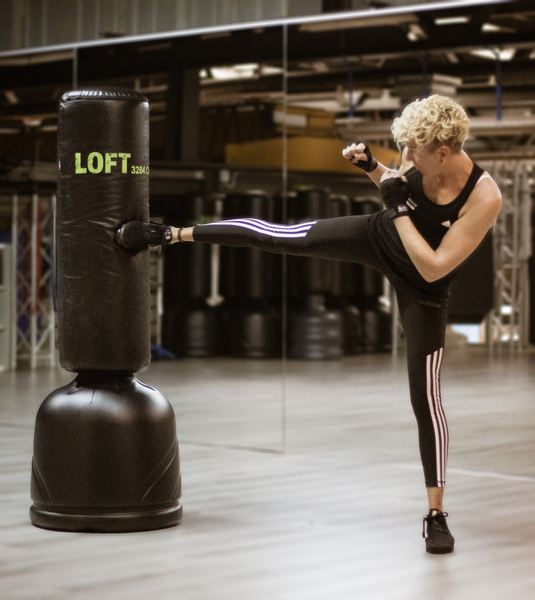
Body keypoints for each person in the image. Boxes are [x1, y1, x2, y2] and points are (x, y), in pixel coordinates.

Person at [117, 94, 502, 554]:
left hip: (424, 287)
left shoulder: (484, 197)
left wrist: (397, 207)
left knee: (427, 396)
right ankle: (170, 234)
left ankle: (436, 515)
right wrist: (372, 168)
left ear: (442, 152)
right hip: (380, 236)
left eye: (413, 150)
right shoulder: (417, 159)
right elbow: (397, 189)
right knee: (281, 236)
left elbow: (433, 266)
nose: (406, 157)